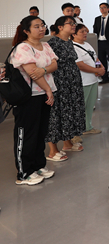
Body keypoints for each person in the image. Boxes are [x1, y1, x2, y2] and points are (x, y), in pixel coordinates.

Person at [9, 16, 58, 184]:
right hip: (28, 97)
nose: (41, 28)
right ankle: (24, 173)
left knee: (40, 132)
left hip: (44, 94)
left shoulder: (46, 45)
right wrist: (48, 89)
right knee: (27, 133)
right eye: (36, 26)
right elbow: (32, 72)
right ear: (26, 31)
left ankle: (38, 165)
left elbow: (54, 65)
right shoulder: (23, 47)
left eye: (42, 25)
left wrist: (43, 70)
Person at [46, 16, 86, 158]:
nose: (74, 25)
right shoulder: (52, 43)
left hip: (72, 85)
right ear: (60, 27)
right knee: (57, 114)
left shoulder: (68, 42)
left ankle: (67, 143)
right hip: (59, 84)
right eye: (70, 23)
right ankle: (53, 150)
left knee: (69, 113)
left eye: (74, 23)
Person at [72, 23, 105, 135]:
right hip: (83, 81)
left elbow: (95, 58)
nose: (85, 33)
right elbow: (80, 65)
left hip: (93, 80)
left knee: (90, 106)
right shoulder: (73, 47)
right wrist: (96, 70)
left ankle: (88, 127)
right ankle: (77, 129)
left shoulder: (87, 44)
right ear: (74, 34)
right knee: (81, 106)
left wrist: (101, 68)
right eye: (82, 32)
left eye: (85, 31)